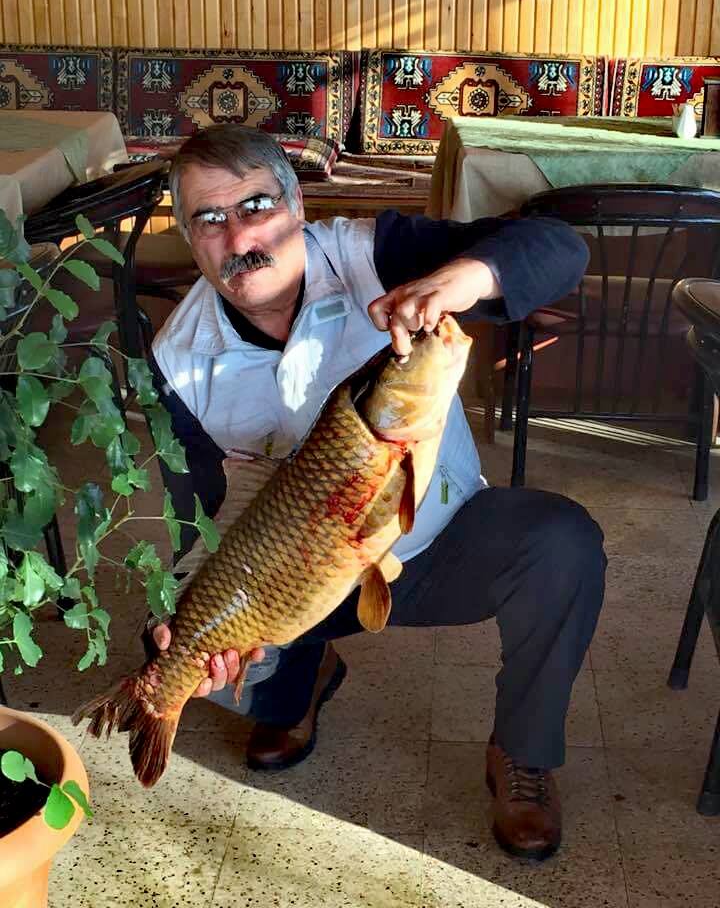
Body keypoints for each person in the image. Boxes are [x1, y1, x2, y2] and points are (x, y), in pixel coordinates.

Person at [147, 123, 606, 861]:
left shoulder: (372, 251)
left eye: (256, 206)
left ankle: (523, 752)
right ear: (189, 236)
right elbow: (199, 517)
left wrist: (460, 281)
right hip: (300, 580)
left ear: (296, 203)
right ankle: (305, 672)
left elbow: (560, 249)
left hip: (440, 537)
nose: (237, 237)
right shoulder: (176, 360)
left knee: (562, 541)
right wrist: (188, 631)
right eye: (208, 217)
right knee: (243, 683)